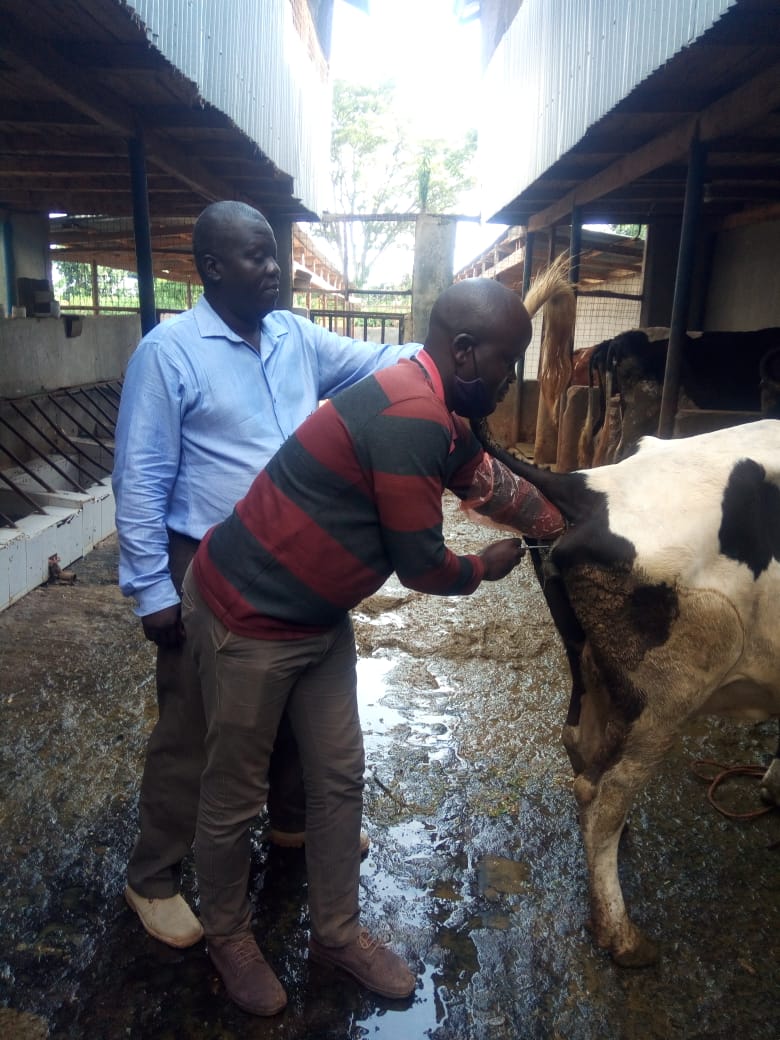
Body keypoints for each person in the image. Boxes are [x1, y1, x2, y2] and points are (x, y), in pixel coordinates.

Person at [180, 276, 566, 1015]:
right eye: (508, 362)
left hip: (316, 619)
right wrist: (485, 568)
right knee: (233, 795)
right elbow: (424, 565)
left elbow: (487, 484)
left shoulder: (442, 412)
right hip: (248, 617)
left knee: (338, 778)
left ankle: (337, 933)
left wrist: (564, 519)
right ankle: (228, 936)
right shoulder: (413, 416)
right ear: (462, 352)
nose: (513, 378)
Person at [112, 200, 421, 950]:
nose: (276, 269)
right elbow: (141, 478)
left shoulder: (292, 337)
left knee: (290, 703)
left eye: (276, 255)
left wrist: (441, 355)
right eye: (256, 257)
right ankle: (153, 877)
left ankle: (290, 826)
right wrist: (153, 591)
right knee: (196, 727)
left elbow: (378, 362)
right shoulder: (170, 352)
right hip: (208, 563)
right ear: (212, 267)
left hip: (295, 557)